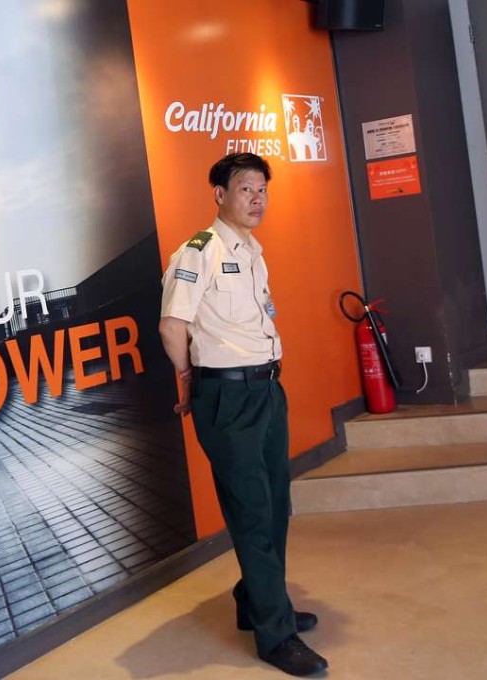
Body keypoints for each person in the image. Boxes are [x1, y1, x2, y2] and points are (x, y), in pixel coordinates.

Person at [158, 153, 328, 677]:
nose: (257, 199)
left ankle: (255, 599)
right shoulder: (199, 251)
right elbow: (172, 326)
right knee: (252, 509)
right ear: (219, 194)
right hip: (226, 396)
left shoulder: (253, 252)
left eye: (262, 190)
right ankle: (275, 635)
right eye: (245, 189)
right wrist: (188, 381)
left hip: (267, 389)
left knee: (275, 503)